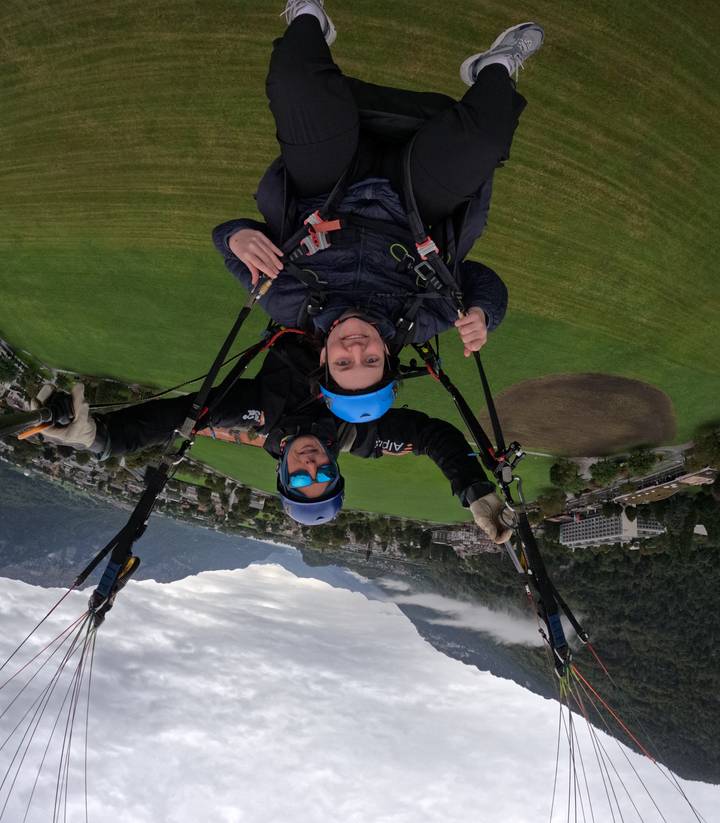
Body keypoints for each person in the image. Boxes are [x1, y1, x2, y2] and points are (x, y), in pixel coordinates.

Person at [214, 2, 543, 421]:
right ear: (387, 356)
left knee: (294, 80)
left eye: (343, 363)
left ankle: (309, 21)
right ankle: (494, 67)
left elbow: (228, 244)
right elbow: (479, 280)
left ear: (324, 360)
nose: (355, 350)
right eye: (370, 362)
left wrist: (236, 236)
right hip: (414, 204)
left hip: (327, 187)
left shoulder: (285, 301)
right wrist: (483, 313)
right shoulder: (427, 319)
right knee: (486, 138)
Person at [34, 334, 512, 540]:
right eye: (324, 474)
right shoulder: (358, 434)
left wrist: (103, 440)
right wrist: (474, 488)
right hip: (372, 323)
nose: (312, 466)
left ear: (283, 475)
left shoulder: (256, 416)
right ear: (337, 468)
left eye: (303, 480)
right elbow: (432, 437)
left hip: (307, 302)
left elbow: (183, 417)